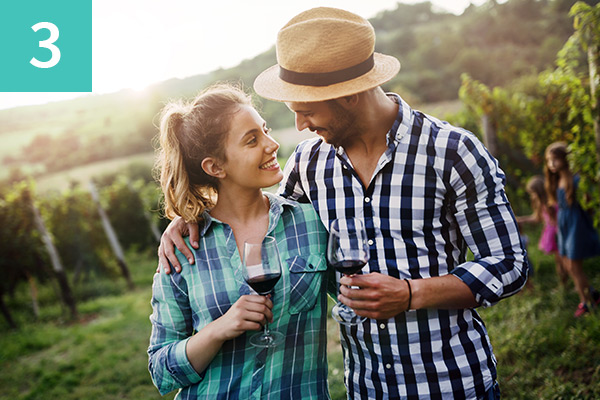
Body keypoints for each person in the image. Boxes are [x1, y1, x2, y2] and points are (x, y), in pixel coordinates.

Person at [158, 8, 528, 399]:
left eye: (307, 110)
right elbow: (266, 222)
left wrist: (410, 294)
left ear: (349, 95)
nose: (300, 125)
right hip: (366, 388)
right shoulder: (309, 164)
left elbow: (509, 263)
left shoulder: (452, 152)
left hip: (450, 383)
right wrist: (190, 217)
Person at [148, 83, 331, 399]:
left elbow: (358, 296)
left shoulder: (312, 223)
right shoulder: (184, 248)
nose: (271, 144)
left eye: (265, 130)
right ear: (215, 167)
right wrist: (218, 330)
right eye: (252, 140)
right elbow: (162, 373)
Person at [544, 141, 600, 317]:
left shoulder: (575, 179)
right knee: (568, 265)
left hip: (575, 224)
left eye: (555, 160)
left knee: (575, 267)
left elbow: (588, 203)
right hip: (564, 224)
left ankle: (587, 303)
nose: (552, 164)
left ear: (565, 159)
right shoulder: (556, 180)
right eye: (549, 160)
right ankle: (592, 294)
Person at [516, 175, 567, 287]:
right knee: (559, 260)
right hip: (552, 232)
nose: (532, 196)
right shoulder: (542, 204)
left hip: (556, 233)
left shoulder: (550, 203)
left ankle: (566, 283)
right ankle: (564, 284)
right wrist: (522, 219)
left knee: (563, 260)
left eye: (533, 193)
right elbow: (537, 218)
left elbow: (554, 220)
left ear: (538, 192)